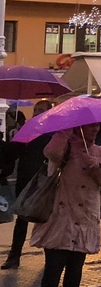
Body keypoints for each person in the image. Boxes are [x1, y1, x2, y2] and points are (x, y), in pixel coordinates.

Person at [30, 122, 101, 287]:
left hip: (84, 219)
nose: (95, 129)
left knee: (75, 270)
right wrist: (64, 131)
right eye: (90, 126)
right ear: (79, 127)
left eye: (97, 126)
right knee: (53, 269)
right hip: (61, 219)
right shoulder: (64, 147)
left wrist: (96, 166)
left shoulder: (99, 151)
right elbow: (50, 152)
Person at [0, 100, 53, 269]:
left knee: (46, 220)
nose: (36, 113)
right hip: (25, 180)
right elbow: (12, 153)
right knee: (22, 219)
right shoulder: (27, 130)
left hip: (45, 181)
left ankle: (50, 257)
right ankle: (14, 256)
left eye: (41, 110)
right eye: (35, 110)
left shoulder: (54, 132)